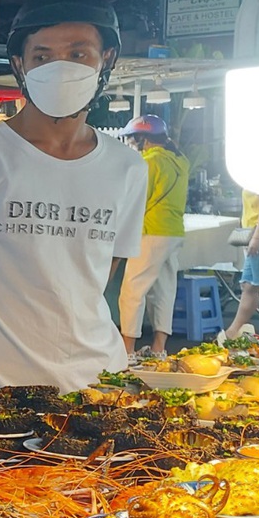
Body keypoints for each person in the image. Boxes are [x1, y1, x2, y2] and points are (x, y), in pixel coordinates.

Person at [0, 0, 148, 396]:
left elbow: (100, 273)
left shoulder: (127, 168)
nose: (60, 69)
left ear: (105, 60)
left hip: (96, 380)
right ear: (20, 65)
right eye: (42, 56)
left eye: (78, 54)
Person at [116, 114, 190, 356]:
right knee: (165, 289)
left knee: (133, 290)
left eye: (134, 138)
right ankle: (159, 348)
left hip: (151, 232)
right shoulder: (180, 161)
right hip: (174, 232)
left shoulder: (149, 162)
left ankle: (127, 350)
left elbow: (136, 200)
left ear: (143, 138)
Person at [222, 191, 259, 341]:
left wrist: (257, 237)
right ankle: (232, 333)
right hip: (257, 233)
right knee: (249, 286)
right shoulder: (250, 175)